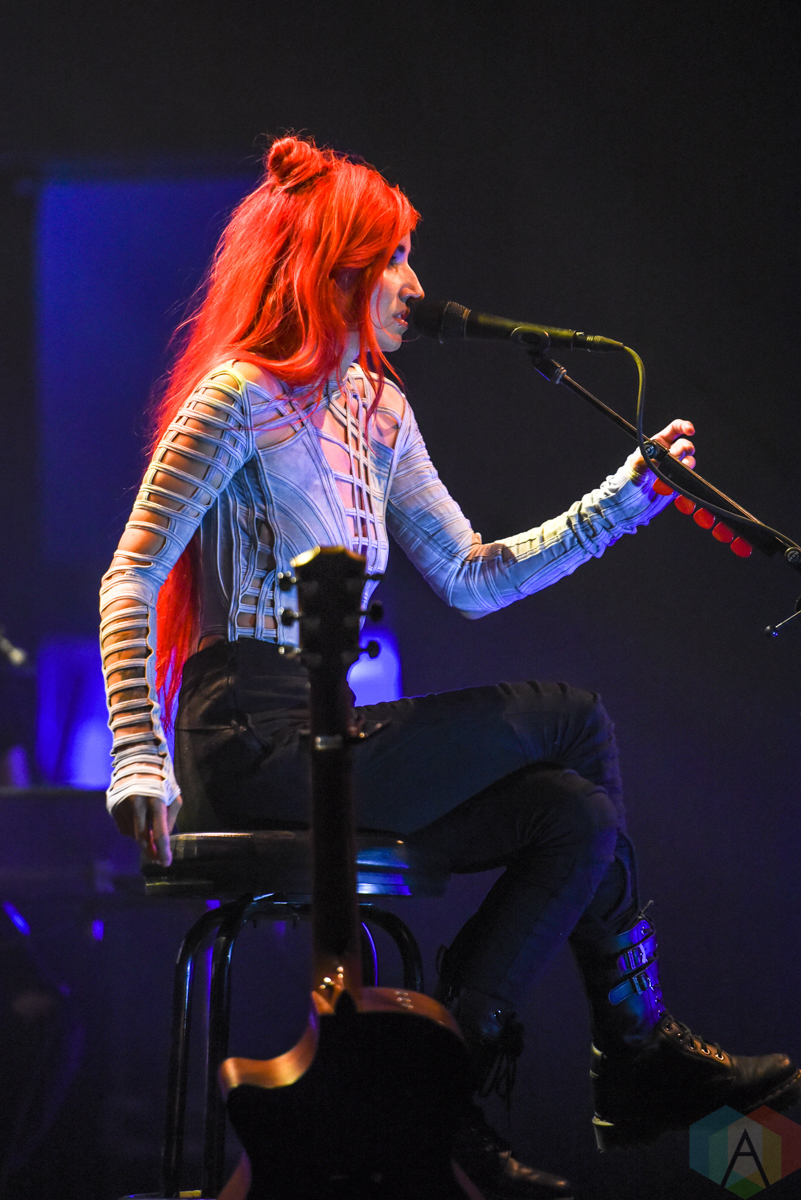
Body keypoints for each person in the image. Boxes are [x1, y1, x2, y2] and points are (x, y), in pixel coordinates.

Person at [100, 136, 800, 1200]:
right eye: (393, 259)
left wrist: (622, 503)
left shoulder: (379, 412)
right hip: (249, 740)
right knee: (576, 719)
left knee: (573, 815)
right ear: (333, 269)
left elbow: (470, 577)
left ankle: (449, 1083)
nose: (416, 284)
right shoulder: (238, 397)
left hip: (331, 736)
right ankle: (635, 1050)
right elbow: (132, 573)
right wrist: (137, 754)